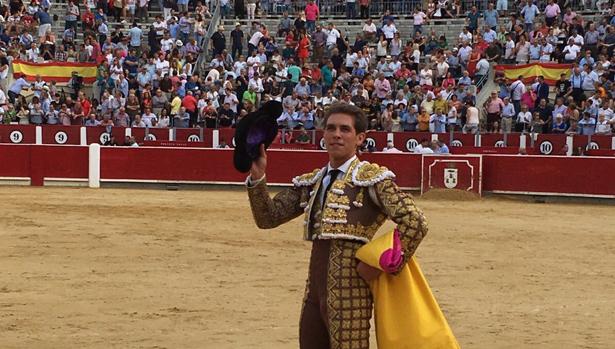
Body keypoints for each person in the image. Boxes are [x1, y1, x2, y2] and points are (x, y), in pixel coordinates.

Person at [246, 102, 427, 348]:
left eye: (345, 129)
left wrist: (382, 263)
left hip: (351, 291)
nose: (337, 135)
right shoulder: (314, 181)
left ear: (360, 138)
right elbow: (268, 217)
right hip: (314, 290)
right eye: (331, 128)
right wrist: (258, 178)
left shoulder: (371, 179)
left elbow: (415, 221)